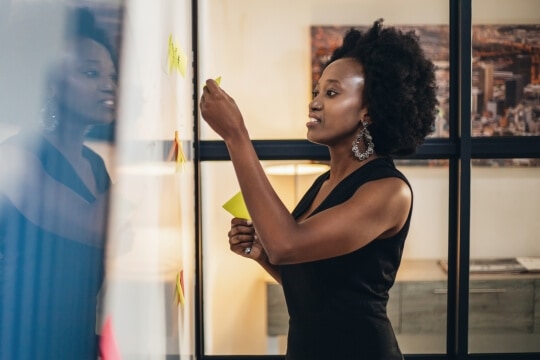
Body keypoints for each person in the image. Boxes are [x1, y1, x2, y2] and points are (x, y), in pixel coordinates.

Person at [200, 19, 438, 359]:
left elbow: (287, 244)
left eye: (331, 93)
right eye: (316, 92)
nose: (314, 103)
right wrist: (262, 255)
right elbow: (317, 283)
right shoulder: (324, 184)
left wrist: (236, 135)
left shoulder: (388, 191)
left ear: (368, 111)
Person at [0, 4, 119, 359]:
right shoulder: (16, 159)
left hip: (76, 344)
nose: (108, 86)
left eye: (111, 75)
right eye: (90, 73)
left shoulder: (96, 165)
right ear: (50, 84)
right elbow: (94, 225)